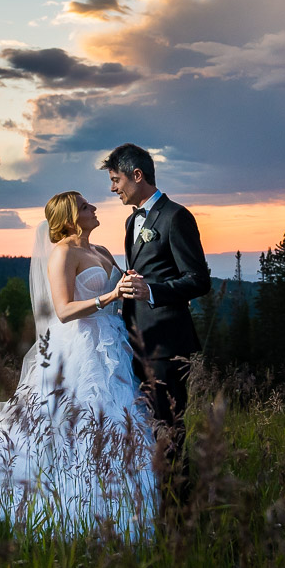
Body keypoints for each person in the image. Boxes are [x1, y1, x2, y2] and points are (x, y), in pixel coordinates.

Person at [0, 191, 158, 539]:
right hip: (77, 346)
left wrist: (130, 285)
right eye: (85, 206)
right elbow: (64, 310)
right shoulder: (63, 254)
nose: (93, 208)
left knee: (117, 418)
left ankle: (123, 500)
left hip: (111, 343)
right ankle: (76, 496)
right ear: (71, 218)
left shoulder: (102, 251)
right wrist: (110, 295)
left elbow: (121, 287)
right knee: (76, 420)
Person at [101, 143, 211, 507]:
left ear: (137, 175)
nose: (113, 189)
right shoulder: (132, 221)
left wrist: (152, 291)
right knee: (146, 429)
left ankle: (179, 510)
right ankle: (153, 504)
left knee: (169, 429)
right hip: (136, 341)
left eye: (116, 180)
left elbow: (199, 280)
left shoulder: (176, 217)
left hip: (166, 344)